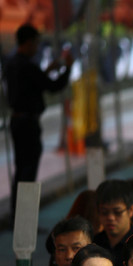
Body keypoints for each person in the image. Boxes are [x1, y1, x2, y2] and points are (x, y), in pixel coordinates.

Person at [5, 24, 72, 218]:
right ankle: (25, 219)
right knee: (28, 172)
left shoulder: (12, 63)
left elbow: (32, 84)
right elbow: (53, 86)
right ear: (28, 42)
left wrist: (46, 71)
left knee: (21, 170)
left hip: (16, 122)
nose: (37, 47)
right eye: (35, 42)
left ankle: (16, 215)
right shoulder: (28, 66)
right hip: (29, 124)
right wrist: (67, 68)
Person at [94, 180, 133, 266]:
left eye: (117, 212)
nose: (110, 218)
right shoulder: (94, 245)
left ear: (131, 210)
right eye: (104, 212)